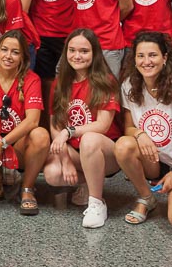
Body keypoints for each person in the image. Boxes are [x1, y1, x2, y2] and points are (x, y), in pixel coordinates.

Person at [114, 31, 172, 236]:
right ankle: (147, 197)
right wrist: (140, 134)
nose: (146, 61)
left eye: (153, 55)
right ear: (134, 59)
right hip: (154, 161)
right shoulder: (129, 85)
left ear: (164, 58)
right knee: (123, 145)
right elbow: (128, 128)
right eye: (141, 56)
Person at [44, 29, 122, 228]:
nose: (77, 56)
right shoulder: (60, 83)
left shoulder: (106, 81)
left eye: (84, 51)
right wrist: (65, 160)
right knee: (52, 174)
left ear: (95, 53)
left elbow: (102, 125)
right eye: (72, 50)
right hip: (75, 152)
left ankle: (97, 203)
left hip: (105, 152)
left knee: (89, 139)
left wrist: (69, 131)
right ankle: (87, 182)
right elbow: (55, 126)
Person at [0, 30, 50, 215]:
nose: (8, 56)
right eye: (4, 50)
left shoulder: (31, 79)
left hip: (17, 143)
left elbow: (33, 121)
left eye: (15, 52)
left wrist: (2, 144)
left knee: (41, 135)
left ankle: (27, 189)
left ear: (23, 57)